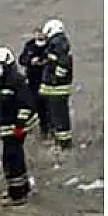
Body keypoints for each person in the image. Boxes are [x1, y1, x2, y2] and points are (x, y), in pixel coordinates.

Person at [0, 46, 39, 206]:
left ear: (6, 64)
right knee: (15, 159)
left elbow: (26, 106)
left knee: (12, 161)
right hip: (8, 130)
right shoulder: (5, 81)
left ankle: (17, 195)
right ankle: (22, 188)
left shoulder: (15, 81)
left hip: (14, 130)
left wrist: (19, 125)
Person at [38, 18, 74, 151]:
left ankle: (64, 143)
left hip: (58, 88)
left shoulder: (58, 43)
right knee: (56, 114)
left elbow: (62, 64)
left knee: (60, 115)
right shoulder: (57, 43)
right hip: (55, 88)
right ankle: (59, 140)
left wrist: (56, 78)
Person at [18, 27, 51, 139]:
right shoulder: (30, 45)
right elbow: (21, 60)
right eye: (37, 33)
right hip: (32, 80)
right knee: (30, 105)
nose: (39, 35)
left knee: (45, 107)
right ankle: (25, 127)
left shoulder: (50, 46)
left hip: (46, 81)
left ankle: (45, 130)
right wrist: (30, 61)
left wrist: (44, 61)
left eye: (41, 33)